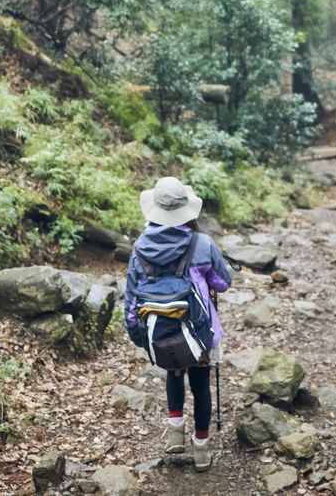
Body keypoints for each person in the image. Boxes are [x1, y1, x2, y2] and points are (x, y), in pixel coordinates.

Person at [123, 176, 232, 472]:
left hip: (160, 330)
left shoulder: (140, 247)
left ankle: (175, 430)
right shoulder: (202, 243)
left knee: (173, 373)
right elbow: (223, 283)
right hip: (199, 332)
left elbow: (131, 297)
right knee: (201, 386)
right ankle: (200, 449)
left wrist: (139, 335)